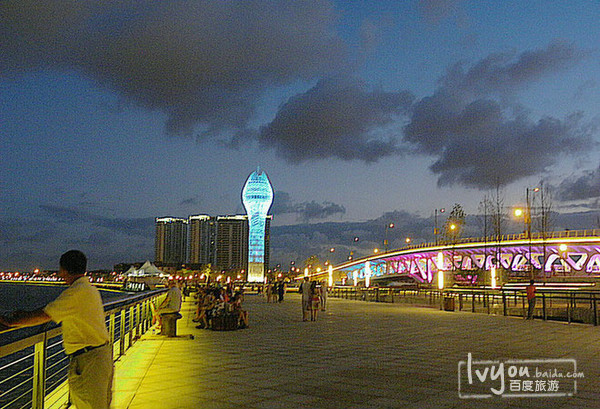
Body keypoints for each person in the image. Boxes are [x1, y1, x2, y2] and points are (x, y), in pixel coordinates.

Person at [0, 250, 113, 409]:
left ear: (65, 270)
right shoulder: (89, 289)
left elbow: (45, 315)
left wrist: (11, 322)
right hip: (98, 355)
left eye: (60, 270)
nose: (60, 274)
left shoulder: (75, 293)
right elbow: (51, 309)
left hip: (89, 361)